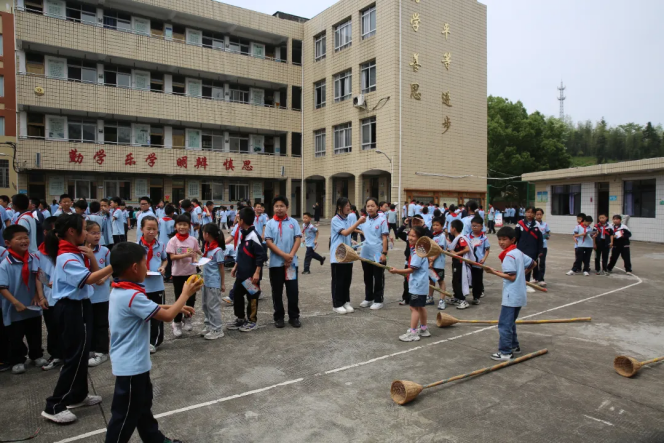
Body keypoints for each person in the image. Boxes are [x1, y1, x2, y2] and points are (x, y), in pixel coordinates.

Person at [104, 242, 201, 443]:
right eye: (144, 263)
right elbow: (165, 317)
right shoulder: (131, 295)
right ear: (134, 268)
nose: (146, 268)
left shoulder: (121, 290)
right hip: (131, 367)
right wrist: (185, 295)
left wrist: (176, 306)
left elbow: (151, 307)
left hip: (134, 364)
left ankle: (154, 439)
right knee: (124, 417)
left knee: (141, 407)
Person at [42, 214, 114, 424]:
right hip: (71, 308)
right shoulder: (66, 256)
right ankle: (54, 404)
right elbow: (90, 279)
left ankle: (77, 395)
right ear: (71, 232)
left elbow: (96, 276)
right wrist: (116, 263)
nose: (87, 233)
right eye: (84, 229)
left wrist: (92, 257)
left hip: (82, 306)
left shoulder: (75, 252)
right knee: (75, 356)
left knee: (82, 354)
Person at [0, 225, 47, 374]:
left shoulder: (34, 258)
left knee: (34, 332)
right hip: (14, 308)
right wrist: (15, 302)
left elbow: (40, 277)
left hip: (32, 306)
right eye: (18, 238)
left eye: (25, 237)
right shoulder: (6, 264)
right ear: (7, 243)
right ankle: (18, 359)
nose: (23, 241)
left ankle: (36, 355)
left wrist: (37, 295)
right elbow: (2, 287)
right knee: (15, 336)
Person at [485, 226, 535, 361]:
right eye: (499, 239)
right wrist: (522, 275)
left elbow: (511, 277)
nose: (501, 242)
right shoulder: (518, 252)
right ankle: (514, 346)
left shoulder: (509, 255)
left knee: (504, 324)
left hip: (511, 295)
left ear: (513, 239)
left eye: (504, 239)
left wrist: (493, 272)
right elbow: (533, 263)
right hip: (519, 294)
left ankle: (506, 352)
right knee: (511, 322)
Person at [265, 196, 302, 328]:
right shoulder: (269, 224)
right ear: (273, 208)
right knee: (277, 292)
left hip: (291, 264)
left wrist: (290, 256)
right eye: (276, 206)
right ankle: (279, 317)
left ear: (287, 207)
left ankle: (294, 316)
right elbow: (269, 242)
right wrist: (284, 256)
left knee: (292, 291)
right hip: (276, 264)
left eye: (282, 206)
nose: (279, 208)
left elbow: (298, 239)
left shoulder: (293, 222)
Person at [389, 226, 431, 342]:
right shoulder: (418, 249)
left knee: (414, 308)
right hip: (421, 284)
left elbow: (412, 269)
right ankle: (423, 328)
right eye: (410, 235)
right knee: (421, 306)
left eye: (413, 236)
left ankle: (413, 332)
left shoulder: (418, 252)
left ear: (420, 238)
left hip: (418, 285)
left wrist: (397, 271)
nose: (410, 237)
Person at [228, 207, 264, 332]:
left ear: (242, 220)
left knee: (252, 297)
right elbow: (241, 253)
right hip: (241, 273)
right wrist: (235, 267)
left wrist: (257, 273)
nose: (237, 220)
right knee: (237, 295)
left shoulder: (254, 236)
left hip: (251, 275)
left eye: (238, 218)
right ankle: (240, 318)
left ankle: (252, 321)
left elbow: (261, 256)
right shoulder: (243, 234)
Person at [82, 220, 112, 368]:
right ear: (84, 233)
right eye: (93, 233)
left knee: (101, 323)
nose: (96, 236)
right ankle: (91, 349)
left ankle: (102, 351)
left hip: (102, 295)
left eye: (98, 232)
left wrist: (104, 278)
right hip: (87, 295)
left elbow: (111, 268)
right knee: (89, 324)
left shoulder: (105, 251)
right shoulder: (79, 251)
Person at [165, 214, 201, 338]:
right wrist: (186, 255)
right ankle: (176, 323)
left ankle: (188, 318)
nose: (182, 227)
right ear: (175, 226)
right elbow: (172, 257)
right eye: (179, 224)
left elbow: (196, 252)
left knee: (191, 298)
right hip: (178, 274)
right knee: (179, 299)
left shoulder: (193, 240)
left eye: (185, 224)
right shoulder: (173, 241)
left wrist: (199, 258)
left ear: (189, 226)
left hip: (191, 272)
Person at [330, 197, 366, 315]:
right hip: (338, 254)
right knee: (338, 280)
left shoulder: (347, 218)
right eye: (346, 205)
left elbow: (347, 234)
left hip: (348, 253)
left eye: (349, 205)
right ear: (340, 207)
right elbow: (344, 232)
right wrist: (358, 222)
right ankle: (337, 304)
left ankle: (346, 301)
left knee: (346, 279)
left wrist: (351, 241)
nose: (348, 207)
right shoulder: (335, 219)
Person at [138, 216, 167, 353]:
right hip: (141, 285)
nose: (151, 231)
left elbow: (165, 259)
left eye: (154, 229)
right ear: (141, 229)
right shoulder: (136, 247)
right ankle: (142, 340)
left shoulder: (160, 245)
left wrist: (163, 267)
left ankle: (154, 341)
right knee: (142, 314)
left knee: (157, 314)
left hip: (157, 285)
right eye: (148, 228)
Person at [37, 216, 61, 371]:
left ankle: (67, 356)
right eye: (54, 232)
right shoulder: (39, 254)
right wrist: (41, 296)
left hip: (66, 298)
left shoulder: (66, 251)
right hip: (50, 298)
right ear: (46, 233)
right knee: (53, 329)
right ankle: (56, 355)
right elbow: (39, 276)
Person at [357, 198, 389, 311]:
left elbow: (385, 238)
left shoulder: (382, 220)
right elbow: (358, 230)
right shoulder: (363, 220)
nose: (370, 208)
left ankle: (378, 300)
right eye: (368, 206)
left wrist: (384, 253)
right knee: (367, 277)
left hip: (378, 253)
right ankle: (368, 298)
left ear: (377, 207)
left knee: (378, 277)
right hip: (365, 253)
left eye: (372, 206)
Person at [396, 215, 432, 306]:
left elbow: (430, 235)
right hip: (408, 260)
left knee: (415, 278)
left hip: (416, 263)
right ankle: (406, 298)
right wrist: (404, 224)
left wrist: (424, 225)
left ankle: (416, 298)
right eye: (414, 222)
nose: (415, 224)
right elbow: (398, 233)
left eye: (417, 222)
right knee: (407, 280)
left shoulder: (422, 238)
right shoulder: (410, 235)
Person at [200, 223, 226, 340]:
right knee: (205, 305)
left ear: (207, 234)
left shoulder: (217, 250)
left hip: (214, 282)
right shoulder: (207, 247)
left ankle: (217, 329)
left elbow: (221, 268)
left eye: (203, 232)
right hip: (206, 281)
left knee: (213, 306)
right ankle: (209, 325)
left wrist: (222, 283)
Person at [515, 207, 543, 292]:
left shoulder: (537, 224)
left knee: (529, 267)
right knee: (521, 267)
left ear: (534, 214)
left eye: (532, 213)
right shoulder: (519, 224)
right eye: (528, 212)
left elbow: (540, 239)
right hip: (521, 249)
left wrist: (540, 250)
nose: (529, 214)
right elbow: (515, 237)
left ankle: (526, 283)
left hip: (533, 250)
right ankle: (521, 283)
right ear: (525, 213)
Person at [447, 219, 472, 309]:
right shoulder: (455, 239)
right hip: (456, 262)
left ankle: (463, 300)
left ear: (454, 228)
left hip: (460, 263)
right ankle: (457, 297)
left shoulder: (461, 238)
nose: (449, 229)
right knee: (454, 280)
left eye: (450, 227)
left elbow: (466, 249)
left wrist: (455, 254)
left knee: (458, 281)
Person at [469, 216, 490, 304]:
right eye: (473, 226)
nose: (474, 228)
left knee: (477, 280)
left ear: (482, 226)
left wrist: (484, 258)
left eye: (477, 226)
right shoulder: (467, 236)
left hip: (479, 263)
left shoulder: (484, 238)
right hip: (468, 262)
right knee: (469, 279)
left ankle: (476, 297)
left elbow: (487, 249)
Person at [429, 217, 448, 310]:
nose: (435, 227)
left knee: (440, 281)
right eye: (433, 225)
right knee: (431, 280)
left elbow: (439, 250)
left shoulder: (442, 236)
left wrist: (432, 260)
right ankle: (430, 297)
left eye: (437, 225)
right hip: (431, 262)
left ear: (442, 226)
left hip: (438, 263)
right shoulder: (433, 235)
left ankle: (442, 300)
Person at [159, 205, 176, 282]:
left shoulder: (160, 220)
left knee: (163, 259)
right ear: (172, 213)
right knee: (169, 260)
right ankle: (169, 275)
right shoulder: (173, 221)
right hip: (170, 242)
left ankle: (164, 274)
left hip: (161, 242)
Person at [534, 208, 550, 287]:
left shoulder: (545, 224)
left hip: (543, 246)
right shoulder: (533, 224)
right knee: (534, 262)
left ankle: (541, 279)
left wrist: (547, 236)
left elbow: (547, 233)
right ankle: (535, 277)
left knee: (542, 262)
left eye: (540, 214)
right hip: (535, 246)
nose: (539, 216)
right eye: (537, 214)